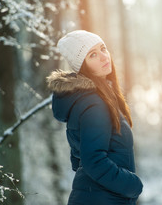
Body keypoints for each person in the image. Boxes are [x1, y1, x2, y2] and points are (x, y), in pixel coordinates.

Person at [46, 30, 143, 205]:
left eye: (103, 48)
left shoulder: (89, 99)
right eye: (93, 55)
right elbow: (93, 160)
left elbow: (78, 158)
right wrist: (132, 185)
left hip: (97, 195)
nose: (104, 57)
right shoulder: (95, 104)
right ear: (82, 66)